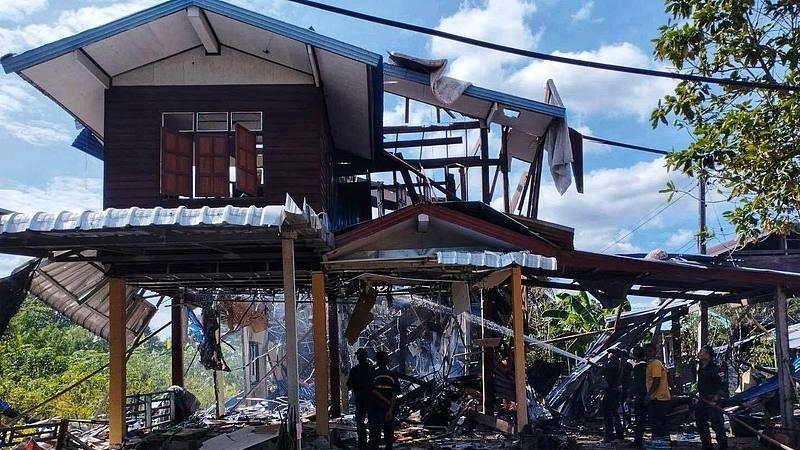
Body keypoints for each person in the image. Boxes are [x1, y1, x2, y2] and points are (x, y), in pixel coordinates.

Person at [695, 346, 728, 450]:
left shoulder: (715, 369)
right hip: (702, 400)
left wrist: (716, 398)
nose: (699, 353)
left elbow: (723, 385)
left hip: (713, 401)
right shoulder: (701, 367)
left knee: (717, 425)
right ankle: (707, 446)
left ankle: (723, 447)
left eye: (702, 352)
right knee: (700, 423)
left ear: (707, 355)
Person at [369, 351, 401, 450]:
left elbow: (371, 391)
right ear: (387, 361)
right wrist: (390, 409)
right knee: (388, 435)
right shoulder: (392, 375)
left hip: (375, 409)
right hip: (388, 409)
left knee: (375, 435)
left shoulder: (373, 374)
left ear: (377, 361)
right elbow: (395, 394)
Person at [347, 348, 375, 450]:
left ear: (358, 358)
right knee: (372, 421)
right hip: (371, 399)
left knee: (360, 422)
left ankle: (362, 444)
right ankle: (372, 443)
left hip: (359, 399)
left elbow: (349, 385)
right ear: (366, 357)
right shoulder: (372, 369)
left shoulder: (354, 370)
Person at [644, 343, 672, 441]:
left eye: (650, 351)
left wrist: (648, 395)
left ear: (655, 352)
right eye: (646, 351)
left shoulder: (655, 364)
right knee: (659, 421)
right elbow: (668, 375)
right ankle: (661, 441)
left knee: (657, 421)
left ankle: (660, 441)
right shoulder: (654, 363)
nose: (648, 353)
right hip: (659, 396)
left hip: (658, 397)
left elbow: (656, 380)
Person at [601, 348, 626, 442]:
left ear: (614, 355)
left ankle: (609, 434)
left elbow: (603, 371)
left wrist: (601, 365)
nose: (608, 355)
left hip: (611, 390)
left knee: (607, 412)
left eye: (610, 353)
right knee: (614, 412)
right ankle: (619, 433)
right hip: (616, 390)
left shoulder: (613, 363)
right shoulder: (619, 363)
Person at [629, 346, 648, 448]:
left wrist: (630, 395)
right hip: (649, 395)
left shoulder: (638, 367)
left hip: (641, 396)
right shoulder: (647, 365)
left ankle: (638, 441)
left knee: (639, 420)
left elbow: (636, 384)